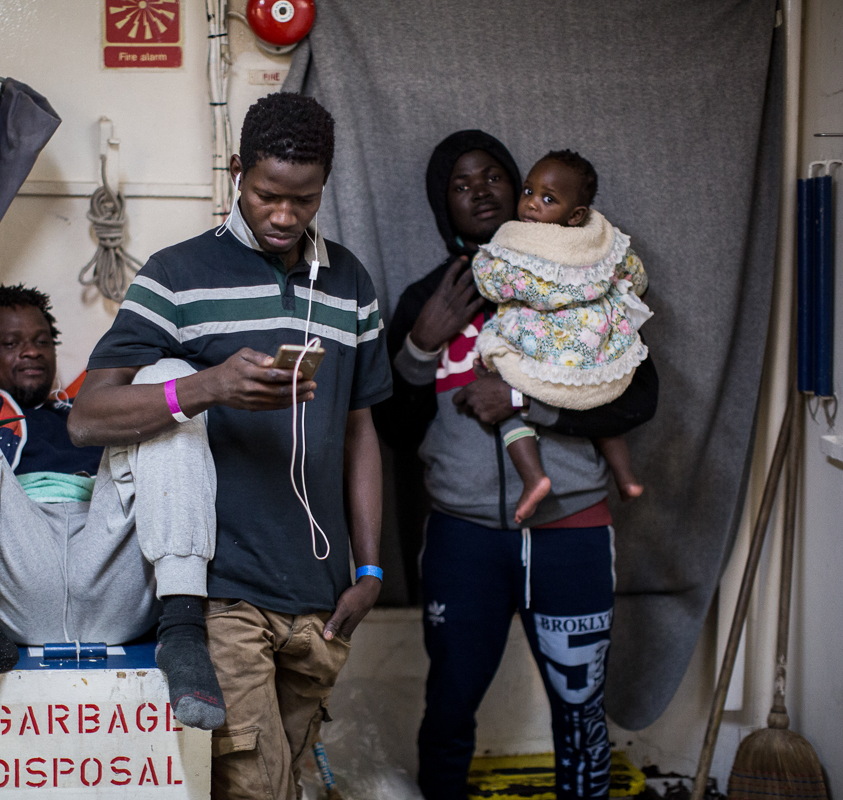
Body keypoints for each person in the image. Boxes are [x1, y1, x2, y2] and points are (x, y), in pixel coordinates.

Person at [69, 92, 392, 800]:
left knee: (293, 778)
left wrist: (369, 569)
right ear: (237, 171)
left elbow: (363, 429)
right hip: (221, 592)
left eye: (303, 200)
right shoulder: (176, 276)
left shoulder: (349, 285)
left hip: (321, 599)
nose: (284, 216)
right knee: (251, 787)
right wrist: (208, 386)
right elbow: (86, 418)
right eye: (267, 194)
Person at [373, 130, 658, 800]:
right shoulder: (428, 297)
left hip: (572, 533)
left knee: (580, 712)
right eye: (461, 183)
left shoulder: (588, 286)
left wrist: (526, 400)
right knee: (447, 710)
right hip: (463, 540)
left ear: (528, 190)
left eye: (495, 175)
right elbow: (392, 427)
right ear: (442, 203)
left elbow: (640, 397)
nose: (480, 191)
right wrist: (418, 343)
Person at [0, 282, 221, 730]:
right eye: (9, 344)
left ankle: (184, 630)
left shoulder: (90, 398)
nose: (29, 353)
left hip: (112, 562)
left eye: (40, 341)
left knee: (168, 377)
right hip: (15, 567)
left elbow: (165, 344)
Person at [472, 150, 651, 523]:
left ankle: (533, 477)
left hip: (543, 349)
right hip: (591, 345)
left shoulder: (518, 244)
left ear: (576, 215)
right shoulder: (602, 243)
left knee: (496, 375)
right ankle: (625, 476)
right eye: (528, 191)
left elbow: (496, 284)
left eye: (548, 199)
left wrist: (485, 269)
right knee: (599, 399)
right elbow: (636, 277)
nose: (531, 204)